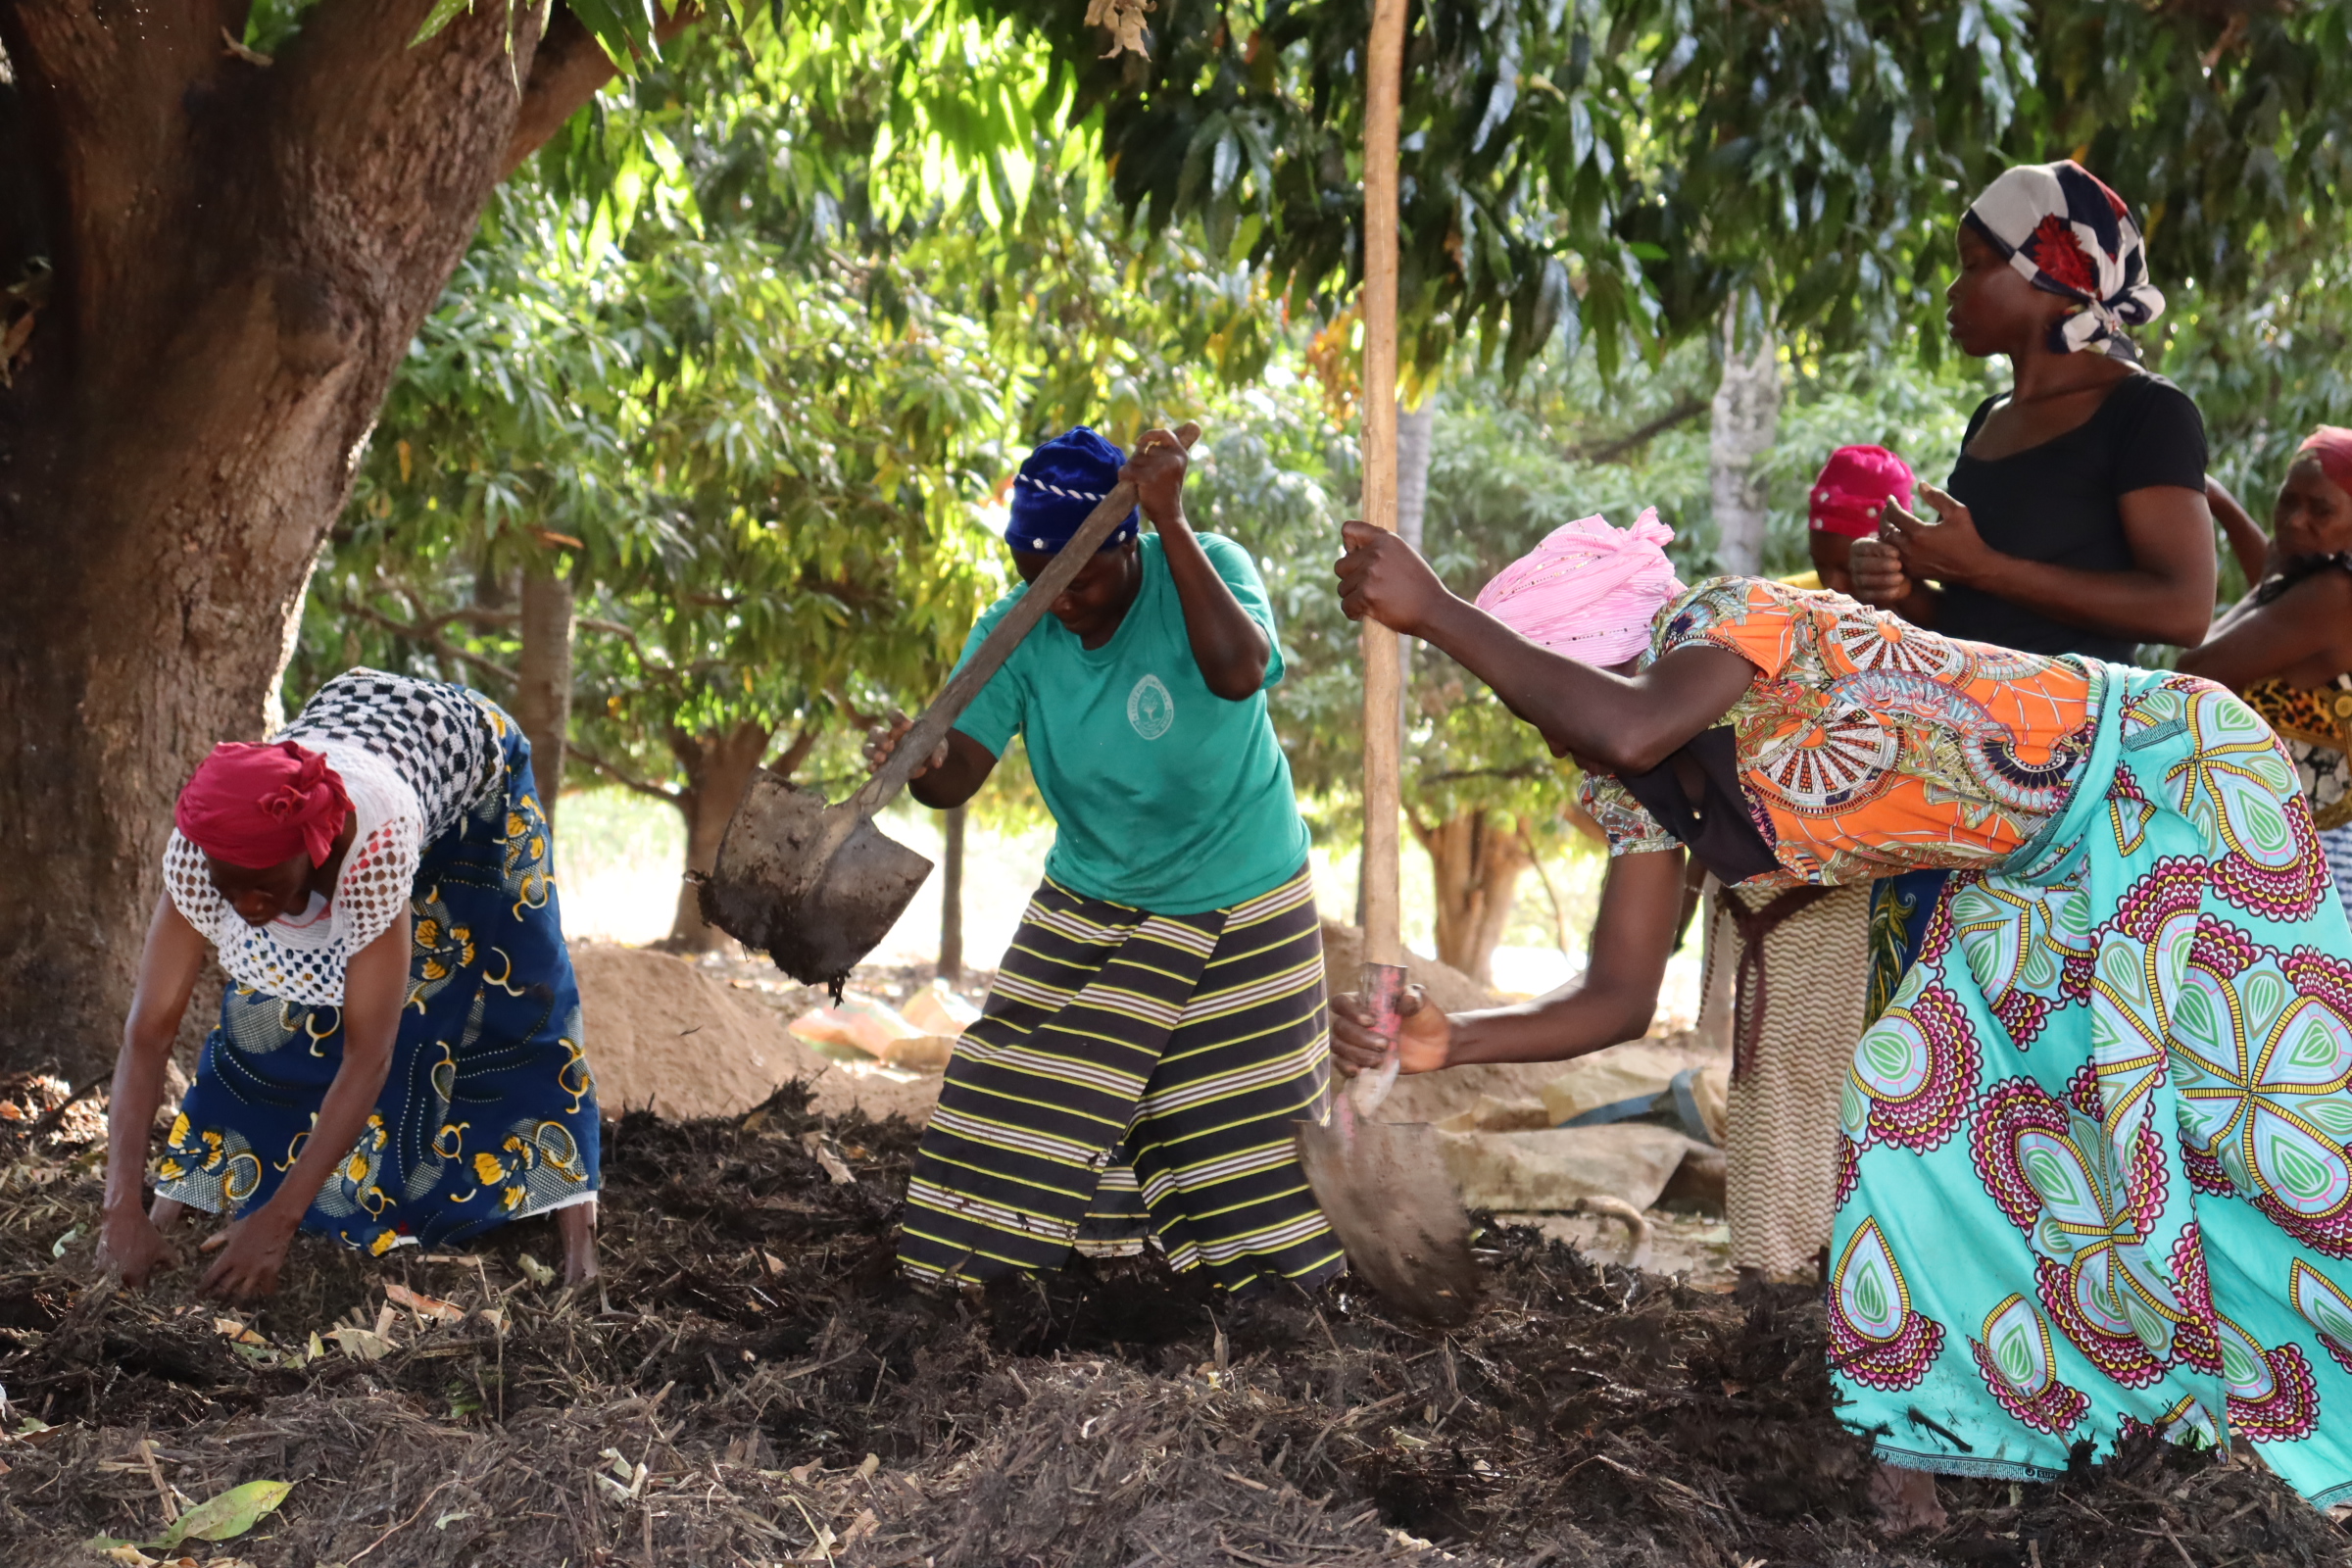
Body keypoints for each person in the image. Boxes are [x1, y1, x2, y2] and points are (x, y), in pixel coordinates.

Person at [1329, 515, 2352, 1525]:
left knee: (2245, 1121)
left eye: (1538, 695)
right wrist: (1454, 1039)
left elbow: (1623, 722)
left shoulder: (1729, 622)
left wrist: (1437, 613)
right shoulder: (1637, 782)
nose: (1548, 733)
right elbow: (1619, 994)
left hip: (2169, 775)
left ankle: (2309, 1398)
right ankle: (1927, 1444)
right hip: (2035, 873)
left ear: (1604, 657)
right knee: (1917, 1100)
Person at [863, 424, 1340, 1296]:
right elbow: (957, 773)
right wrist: (925, 762)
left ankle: (1274, 1306)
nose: (1056, 598)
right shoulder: (1016, 627)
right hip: (1091, 898)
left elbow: (1241, 671)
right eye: (1034, 575)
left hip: (1239, 892)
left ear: (1127, 548)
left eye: (1077, 574)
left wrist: (1175, 522)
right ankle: (1063, 1284)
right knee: (1012, 1093)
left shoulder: (1210, 564)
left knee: (1241, 1138)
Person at [96, 671, 601, 1300]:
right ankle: (192, 1187)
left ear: (313, 849)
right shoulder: (207, 847)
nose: (247, 907)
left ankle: (574, 1227)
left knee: (511, 995)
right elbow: (147, 1032)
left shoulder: (372, 846)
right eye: (231, 890)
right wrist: (121, 1207)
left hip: (473, 770)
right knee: (266, 1020)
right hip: (355, 719)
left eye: (265, 888)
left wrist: (276, 1229)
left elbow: (371, 1055)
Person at [1847, 160, 2214, 1015]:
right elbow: (1982, 619)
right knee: (1917, 1035)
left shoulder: (2148, 415)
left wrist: (1983, 566)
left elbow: (2183, 609)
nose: (1952, 287)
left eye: (1975, 262)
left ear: (2054, 279)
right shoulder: (1989, 423)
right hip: (1950, 772)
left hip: (2061, 795)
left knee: (2022, 1044)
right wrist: (1906, 592)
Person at [2180, 427, 2352, 906]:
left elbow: (2195, 668)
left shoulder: (2331, 596)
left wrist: (2266, 582)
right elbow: (2278, 610)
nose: (2296, 522)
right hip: (2312, 846)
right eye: (2286, 503)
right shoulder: (2326, 588)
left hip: (2297, 858)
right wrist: (2226, 507)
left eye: (2321, 510)